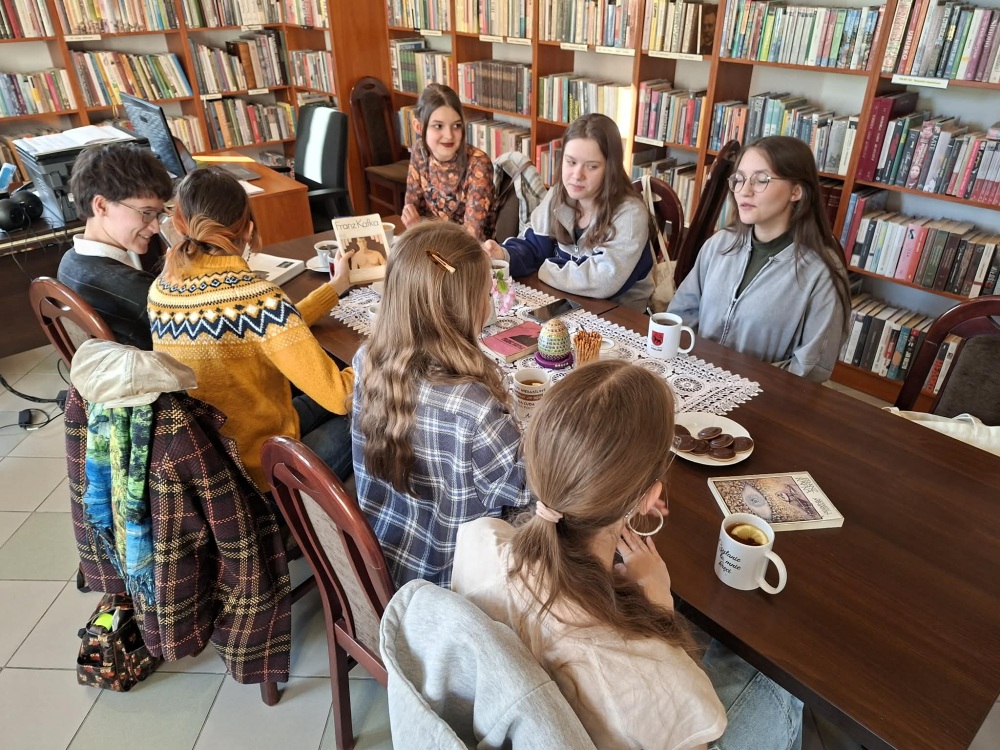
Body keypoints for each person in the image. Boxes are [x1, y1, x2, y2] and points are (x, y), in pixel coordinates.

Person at [452, 360, 803, 750]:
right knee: (780, 683)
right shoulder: (650, 669)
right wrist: (661, 607)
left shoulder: (478, 539)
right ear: (650, 498)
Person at [147, 167, 355, 490]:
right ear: (248, 229)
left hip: (210, 463)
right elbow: (341, 396)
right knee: (371, 415)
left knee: (324, 401)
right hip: (262, 477)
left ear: (178, 223)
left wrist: (335, 287)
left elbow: (270, 330)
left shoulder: (161, 289)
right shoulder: (257, 300)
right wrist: (382, 352)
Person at [352, 220, 530, 589]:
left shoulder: (367, 360)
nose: (489, 304)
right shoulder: (475, 410)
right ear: (463, 309)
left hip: (380, 558)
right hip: (446, 585)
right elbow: (528, 488)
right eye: (485, 295)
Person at [668, 136, 850, 382]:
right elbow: (682, 313)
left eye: (761, 180)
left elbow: (812, 368)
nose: (744, 191)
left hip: (764, 396)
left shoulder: (822, 272)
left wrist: (739, 385)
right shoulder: (719, 244)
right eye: (739, 179)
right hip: (693, 380)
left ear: (796, 191)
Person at [484, 113, 654, 311]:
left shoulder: (630, 214)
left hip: (619, 315)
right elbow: (533, 246)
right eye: (571, 162)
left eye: (591, 166)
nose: (577, 175)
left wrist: (543, 269)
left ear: (611, 169)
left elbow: (602, 281)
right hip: (563, 302)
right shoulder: (559, 194)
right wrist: (503, 255)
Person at [57, 142, 174, 349]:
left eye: (158, 214)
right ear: (101, 205)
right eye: (147, 213)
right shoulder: (130, 286)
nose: (156, 227)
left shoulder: (70, 261)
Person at [401, 83, 495, 241]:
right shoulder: (420, 151)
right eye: (438, 126)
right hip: (429, 244)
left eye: (456, 126)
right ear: (418, 127)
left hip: (471, 252)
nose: (449, 135)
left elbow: (471, 238)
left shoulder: (478, 165)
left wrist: (419, 229)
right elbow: (411, 212)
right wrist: (417, 228)